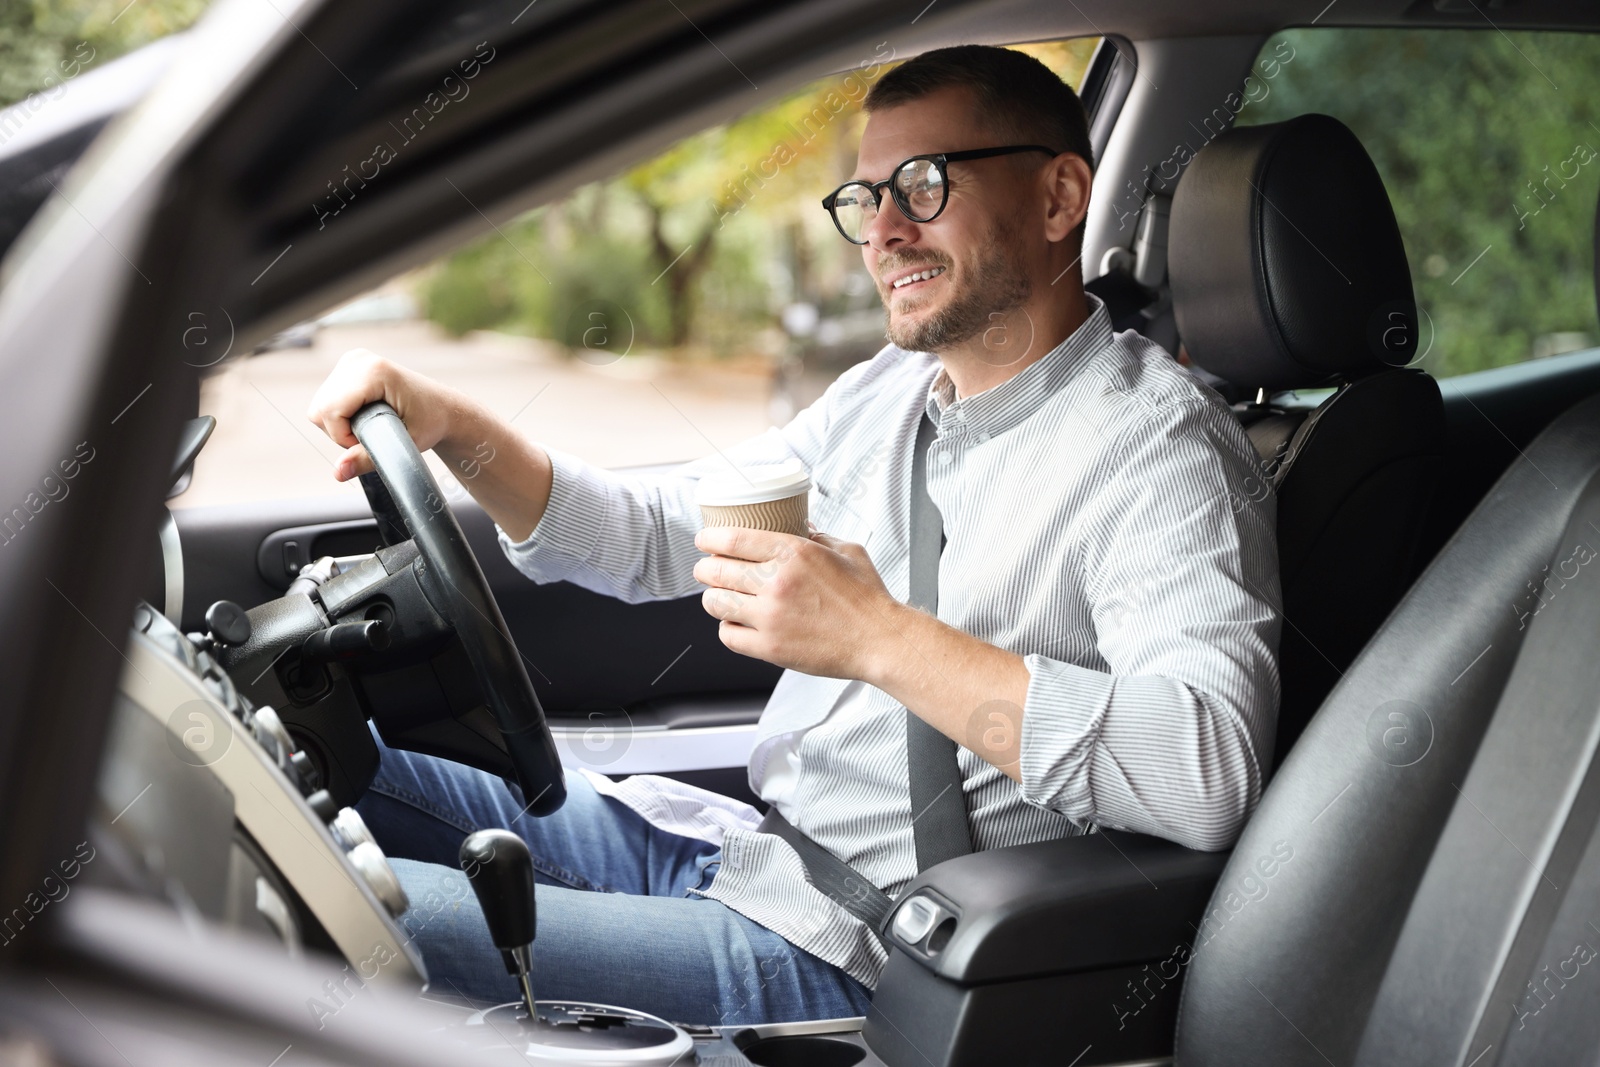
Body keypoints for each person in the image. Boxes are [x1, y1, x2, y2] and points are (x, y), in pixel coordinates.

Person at [306, 44, 1281, 1025]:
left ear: (1059, 197)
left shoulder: (1158, 451)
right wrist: (450, 427)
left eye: (923, 185)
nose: (884, 232)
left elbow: (1203, 769)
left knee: (334, 920)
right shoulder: (890, 395)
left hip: (851, 946)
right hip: (736, 848)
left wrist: (879, 637)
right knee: (317, 773)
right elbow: (655, 533)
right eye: (865, 199)